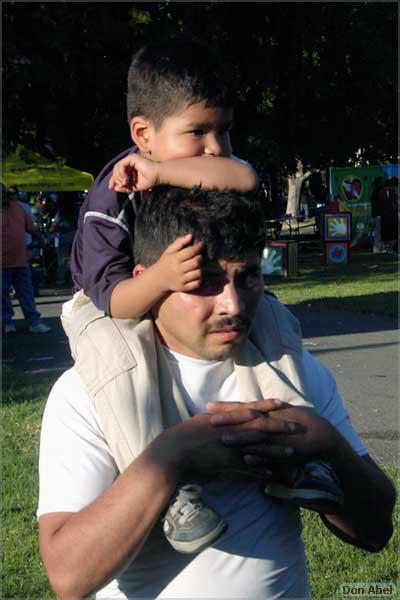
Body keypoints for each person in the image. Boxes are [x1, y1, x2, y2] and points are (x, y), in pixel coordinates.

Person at [38, 188, 395, 600]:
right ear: (148, 284)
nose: (233, 303)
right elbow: (68, 577)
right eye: (205, 282)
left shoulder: (292, 372)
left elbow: (376, 532)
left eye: (247, 278)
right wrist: (172, 456)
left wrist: (328, 446)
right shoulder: (89, 392)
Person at [63, 34, 342, 555]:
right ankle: (167, 487)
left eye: (224, 130)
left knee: (273, 322)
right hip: (110, 303)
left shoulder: (189, 166)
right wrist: (163, 278)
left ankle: (303, 456)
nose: (215, 147)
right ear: (142, 134)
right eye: (198, 132)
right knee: (122, 370)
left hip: (184, 285)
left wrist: (166, 171)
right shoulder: (111, 196)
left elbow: (243, 175)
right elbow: (114, 301)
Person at [1, 185, 51, 334]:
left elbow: (32, 228)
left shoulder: (18, 208)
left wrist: (41, 241)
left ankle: (34, 322)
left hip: (20, 259)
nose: (3, 196)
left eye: (3, 193)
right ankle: (7, 322)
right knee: (2, 295)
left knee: (26, 293)